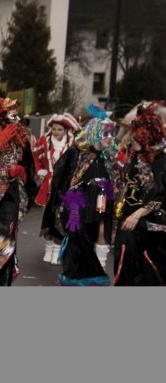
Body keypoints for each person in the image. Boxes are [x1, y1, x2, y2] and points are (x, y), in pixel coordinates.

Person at [44, 104, 119, 286]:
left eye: (111, 134)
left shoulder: (108, 157)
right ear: (94, 133)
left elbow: (117, 181)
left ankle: (97, 272)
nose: (109, 138)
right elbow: (61, 181)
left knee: (98, 233)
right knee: (78, 241)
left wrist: (109, 188)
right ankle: (76, 277)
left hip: (99, 203)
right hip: (77, 206)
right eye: (105, 134)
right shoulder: (76, 153)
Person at [0, 96, 35, 286]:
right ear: (0, 116)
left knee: (9, 239)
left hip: (10, 194)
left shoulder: (20, 138)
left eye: (16, 113)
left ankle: (6, 283)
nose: (16, 117)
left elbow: (28, 167)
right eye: (11, 113)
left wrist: (21, 172)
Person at [113, 101, 166, 286]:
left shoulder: (160, 162)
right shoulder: (135, 156)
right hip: (127, 219)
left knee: (145, 272)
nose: (130, 139)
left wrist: (137, 215)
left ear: (145, 138)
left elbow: (161, 196)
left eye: (134, 137)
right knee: (123, 262)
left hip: (149, 225)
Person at [32, 112, 81, 264]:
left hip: (64, 186)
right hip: (48, 185)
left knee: (60, 217)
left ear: (65, 129)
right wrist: (40, 170)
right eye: (54, 129)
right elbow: (36, 156)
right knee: (48, 217)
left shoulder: (72, 144)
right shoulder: (44, 141)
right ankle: (48, 248)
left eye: (59, 129)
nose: (56, 132)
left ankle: (58, 249)